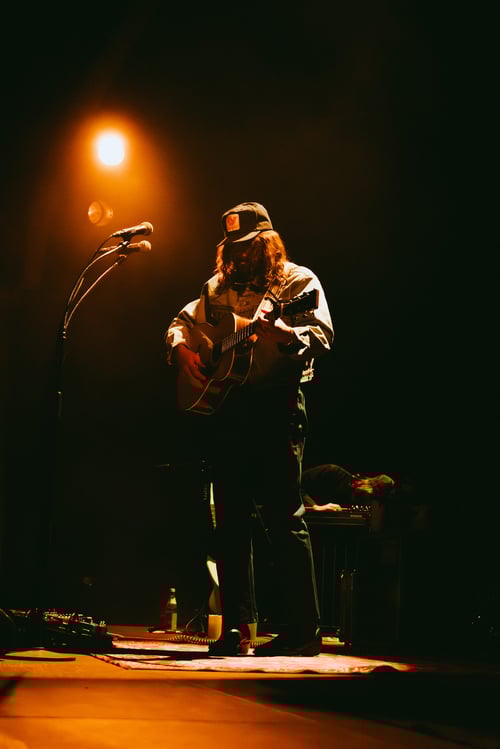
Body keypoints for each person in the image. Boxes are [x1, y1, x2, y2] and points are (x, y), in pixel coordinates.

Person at [165, 201, 334, 656]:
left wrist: (282, 333)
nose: (239, 256)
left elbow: (321, 336)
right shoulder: (217, 288)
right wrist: (182, 350)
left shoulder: (298, 282)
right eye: (233, 248)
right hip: (230, 408)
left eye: (247, 247)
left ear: (267, 243)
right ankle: (237, 628)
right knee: (230, 522)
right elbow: (181, 323)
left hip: (278, 406)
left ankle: (303, 631)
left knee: (284, 517)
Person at [301, 464, 396, 512]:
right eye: (372, 496)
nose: (368, 501)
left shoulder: (354, 499)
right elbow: (297, 485)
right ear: (370, 484)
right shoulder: (333, 472)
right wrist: (314, 507)